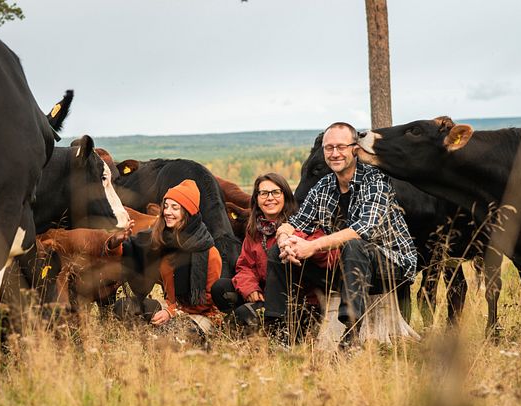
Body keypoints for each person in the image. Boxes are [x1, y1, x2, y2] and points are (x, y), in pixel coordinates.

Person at [264, 122, 417, 346]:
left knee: (354, 245)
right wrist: (285, 239)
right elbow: (295, 223)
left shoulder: (375, 180)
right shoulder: (324, 186)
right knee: (279, 251)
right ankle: (281, 332)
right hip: (345, 268)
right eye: (329, 148)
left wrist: (313, 247)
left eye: (341, 147)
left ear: (355, 148)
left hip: (390, 265)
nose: (334, 153)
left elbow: (363, 230)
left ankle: (351, 335)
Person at [105, 179, 223, 333]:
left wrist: (172, 312)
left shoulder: (208, 252)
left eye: (175, 207)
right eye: (165, 206)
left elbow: (208, 299)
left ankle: (159, 337)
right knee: (124, 307)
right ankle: (143, 338)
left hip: (201, 314)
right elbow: (128, 253)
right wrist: (116, 242)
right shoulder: (161, 238)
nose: (167, 212)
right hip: (169, 306)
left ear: (188, 212)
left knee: (169, 335)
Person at [211, 173, 298, 329]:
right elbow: (244, 266)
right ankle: (246, 322)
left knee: (243, 314)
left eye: (276, 192)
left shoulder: (296, 226)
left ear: (286, 196)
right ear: (256, 199)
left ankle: (262, 325)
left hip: (288, 299)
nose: (269, 198)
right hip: (261, 293)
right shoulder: (255, 229)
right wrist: (250, 288)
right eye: (263, 193)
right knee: (220, 288)